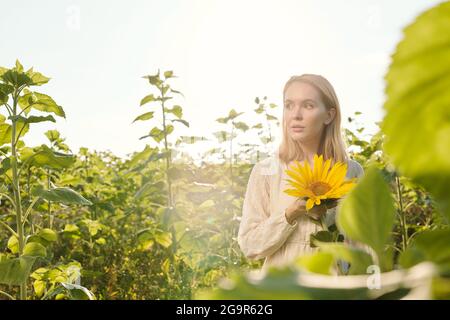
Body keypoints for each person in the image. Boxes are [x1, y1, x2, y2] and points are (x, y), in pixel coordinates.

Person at [237, 74, 364, 274]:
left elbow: (361, 246)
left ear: (329, 115)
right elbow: (249, 246)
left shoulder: (351, 171)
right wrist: (291, 213)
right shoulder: (266, 171)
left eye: (308, 105)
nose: (295, 115)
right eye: (289, 105)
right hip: (283, 289)